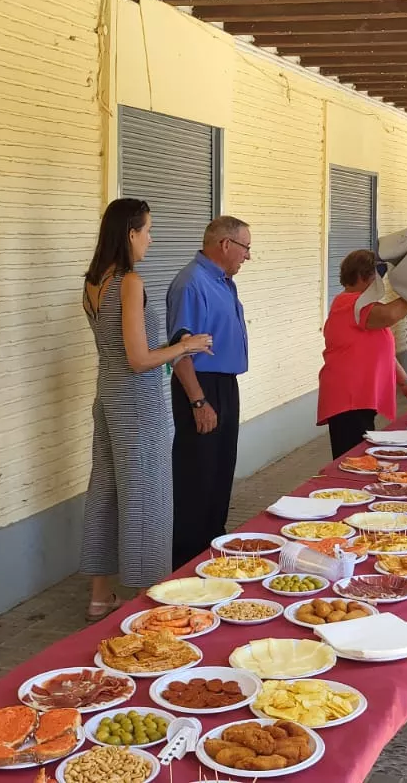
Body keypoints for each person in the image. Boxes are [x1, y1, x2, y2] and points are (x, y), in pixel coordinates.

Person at [81, 199, 213, 621]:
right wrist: (185, 346)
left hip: (107, 398)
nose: (151, 239)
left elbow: (119, 352)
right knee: (147, 498)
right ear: (130, 233)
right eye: (148, 230)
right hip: (138, 403)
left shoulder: (92, 282)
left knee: (105, 494)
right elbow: (138, 359)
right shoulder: (129, 282)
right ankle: (147, 601)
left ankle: (100, 597)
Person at [166, 216, 251, 569]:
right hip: (201, 387)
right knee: (196, 478)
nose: (248, 256)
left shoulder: (223, 281)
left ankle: (213, 552)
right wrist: (199, 401)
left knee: (219, 474)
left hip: (224, 384)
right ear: (225, 245)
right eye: (246, 247)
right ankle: (187, 563)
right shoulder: (191, 283)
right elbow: (180, 350)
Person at [318, 250, 407, 458]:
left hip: (360, 397)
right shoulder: (350, 304)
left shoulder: (362, 307)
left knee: (361, 455)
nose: (380, 284)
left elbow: (382, 351)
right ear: (363, 276)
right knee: (352, 458)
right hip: (348, 398)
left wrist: (405, 382)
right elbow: (391, 314)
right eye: (377, 277)